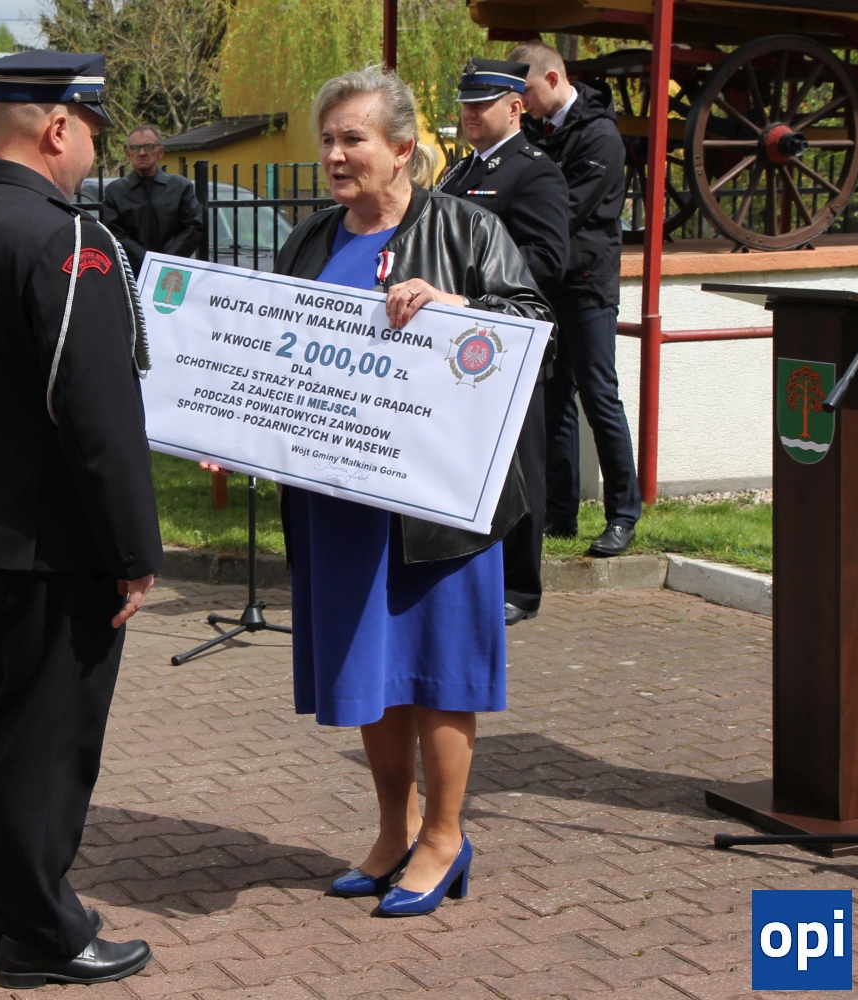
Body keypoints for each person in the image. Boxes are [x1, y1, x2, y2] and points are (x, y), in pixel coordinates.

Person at [0, 51, 161, 987]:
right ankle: (46, 934)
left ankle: (3, 922)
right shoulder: (66, 239)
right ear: (59, 128)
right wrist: (133, 546)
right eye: (92, 129)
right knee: (46, 744)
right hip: (53, 542)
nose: (96, 148)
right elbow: (98, 413)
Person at [273, 66, 551, 915]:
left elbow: (532, 323)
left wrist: (454, 304)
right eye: (327, 140)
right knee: (373, 667)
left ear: (402, 148)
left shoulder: (467, 227)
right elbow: (274, 345)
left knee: (438, 670)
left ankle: (445, 837)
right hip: (341, 502)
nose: (334, 155)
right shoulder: (310, 239)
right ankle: (395, 828)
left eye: (352, 139)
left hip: (437, 503)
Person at [437, 58, 570, 627]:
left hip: (508, 340)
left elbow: (548, 259)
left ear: (516, 107)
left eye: (481, 104)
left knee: (520, 467)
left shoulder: (533, 173)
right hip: (461, 342)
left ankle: (519, 587)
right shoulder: (460, 173)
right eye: (465, 104)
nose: (469, 113)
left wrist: (471, 290)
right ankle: (473, 572)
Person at [511, 40, 640, 556]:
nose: (520, 103)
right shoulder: (538, 131)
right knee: (555, 400)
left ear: (551, 79)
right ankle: (559, 514)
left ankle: (623, 515)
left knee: (598, 397)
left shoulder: (600, 136)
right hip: (550, 286)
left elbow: (561, 214)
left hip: (587, 285)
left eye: (524, 91)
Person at [100, 125, 204, 275]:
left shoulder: (181, 188)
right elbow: (113, 233)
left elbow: (193, 227)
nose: (142, 153)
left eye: (148, 146)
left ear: (160, 152)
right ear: (128, 154)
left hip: (171, 273)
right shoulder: (115, 191)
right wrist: (146, 261)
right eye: (135, 148)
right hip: (130, 274)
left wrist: (165, 262)